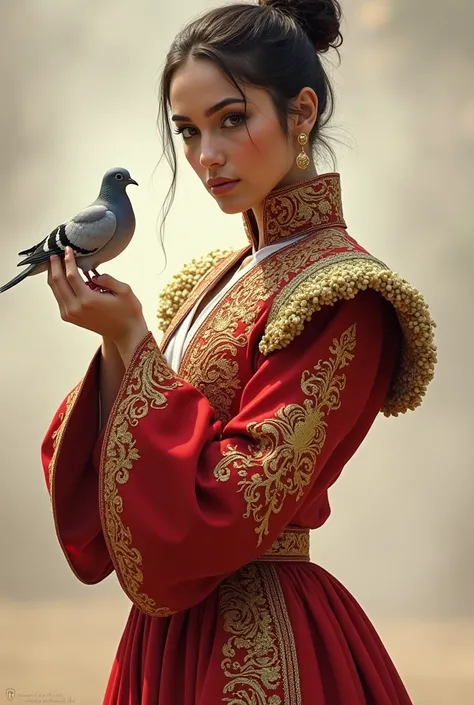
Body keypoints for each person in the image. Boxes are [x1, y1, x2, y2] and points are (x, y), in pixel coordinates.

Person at [41, 1, 437, 703]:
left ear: (302, 112)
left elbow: (237, 500)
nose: (205, 157)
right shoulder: (214, 282)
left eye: (231, 119)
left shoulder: (344, 294)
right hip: (163, 639)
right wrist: (115, 343)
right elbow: (108, 496)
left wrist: (132, 339)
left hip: (266, 642)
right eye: (188, 131)